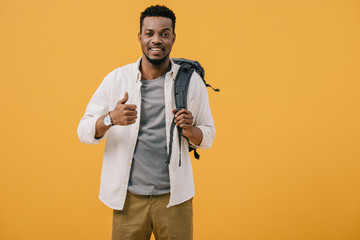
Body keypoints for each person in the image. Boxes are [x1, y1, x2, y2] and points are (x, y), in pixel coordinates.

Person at [77, 5, 215, 240]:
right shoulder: (117, 79)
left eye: (164, 33)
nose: (156, 40)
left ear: (173, 37)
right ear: (140, 36)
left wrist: (191, 131)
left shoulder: (191, 82)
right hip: (128, 200)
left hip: (175, 199)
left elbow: (208, 135)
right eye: (149, 33)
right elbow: (83, 131)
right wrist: (111, 119)